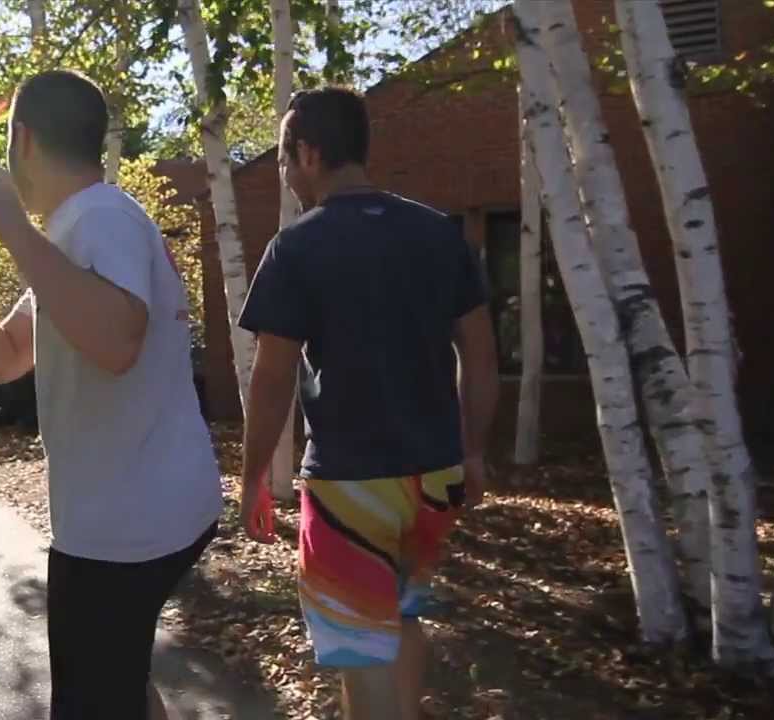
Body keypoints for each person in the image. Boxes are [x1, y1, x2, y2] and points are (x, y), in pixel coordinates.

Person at [0, 70, 222, 720]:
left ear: (22, 140)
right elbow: (5, 356)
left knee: (94, 702)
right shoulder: (73, 235)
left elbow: (116, 341)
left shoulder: (98, 216)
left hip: (123, 530)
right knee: (120, 684)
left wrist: (12, 228)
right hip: (133, 516)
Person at [236, 87, 499, 720]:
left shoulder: (296, 247)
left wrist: (251, 478)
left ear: (308, 153)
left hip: (349, 484)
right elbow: (482, 354)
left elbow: (271, 379)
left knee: (361, 647)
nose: (285, 172)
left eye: (283, 159)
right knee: (403, 617)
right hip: (435, 477)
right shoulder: (439, 233)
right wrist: (473, 453)